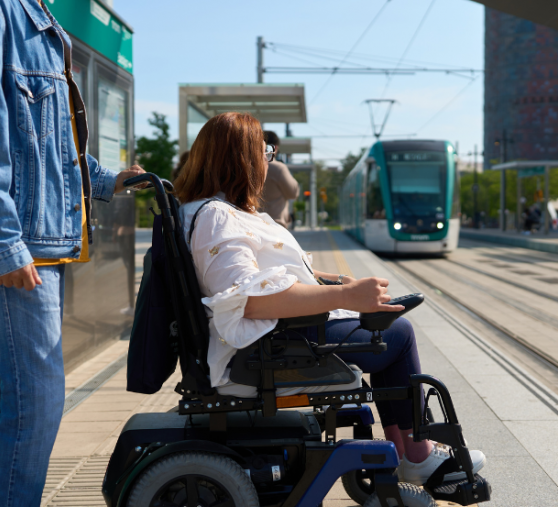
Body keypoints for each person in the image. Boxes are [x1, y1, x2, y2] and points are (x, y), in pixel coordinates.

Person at [0, 0, 145, 504]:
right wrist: (3, 246)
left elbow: (47, 146)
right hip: (20, 244)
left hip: (41, 240)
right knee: (37, 399)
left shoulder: (36, 18)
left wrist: (107, 179)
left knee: (10, 395)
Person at [172, 112, 485, 486]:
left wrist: (332, 280)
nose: (268, 161)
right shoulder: (218, 217)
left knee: (389, 325)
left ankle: (409, 453)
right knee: (397, 334)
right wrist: (347, 296)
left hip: (278, 337)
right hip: (269, 347)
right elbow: (251, 302)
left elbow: (260, 277)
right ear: (240, 158)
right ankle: (414, 454)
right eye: (265, 151)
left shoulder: (221, 211)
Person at [261, 130, 301, 228]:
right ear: (276, 147)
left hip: (253, 224)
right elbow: (293, 193)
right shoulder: (278, 168)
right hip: (275, 224)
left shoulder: (248, 167)